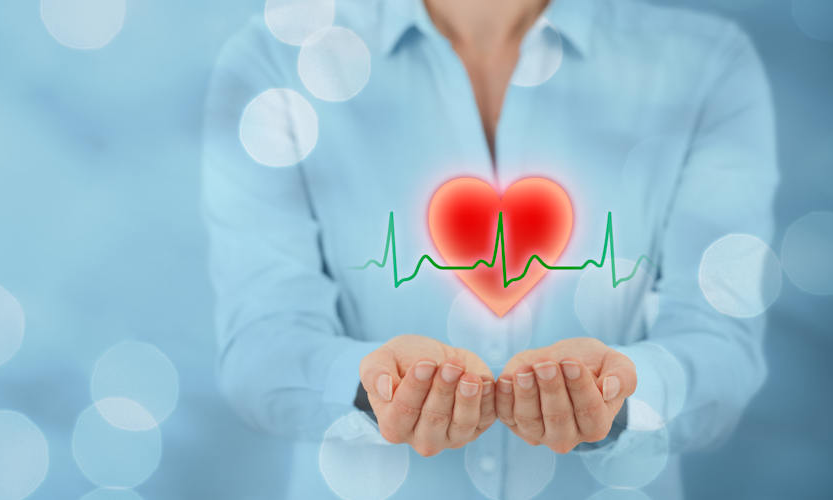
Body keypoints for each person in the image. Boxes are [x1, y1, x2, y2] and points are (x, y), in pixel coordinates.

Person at [202, 0, 776, 497]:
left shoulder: (705, 64)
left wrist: (627, 392)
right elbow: (261, 342)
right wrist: (366, 388)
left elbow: (722, 346)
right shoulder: (277, 60)